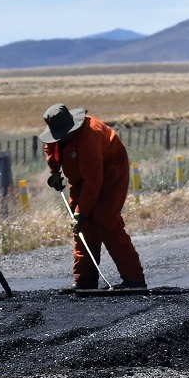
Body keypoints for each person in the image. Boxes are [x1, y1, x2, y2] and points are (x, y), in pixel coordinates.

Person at [41, 103, 146, 291]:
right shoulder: (57, 134)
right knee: (82, 226)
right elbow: (51, 149)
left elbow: (94, 179)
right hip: (81, 176)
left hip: (110, 170)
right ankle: (85, 281)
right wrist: (54, 171)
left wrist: (81, 211)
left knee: (106, 219)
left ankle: (134, 280)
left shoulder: (90, 135)